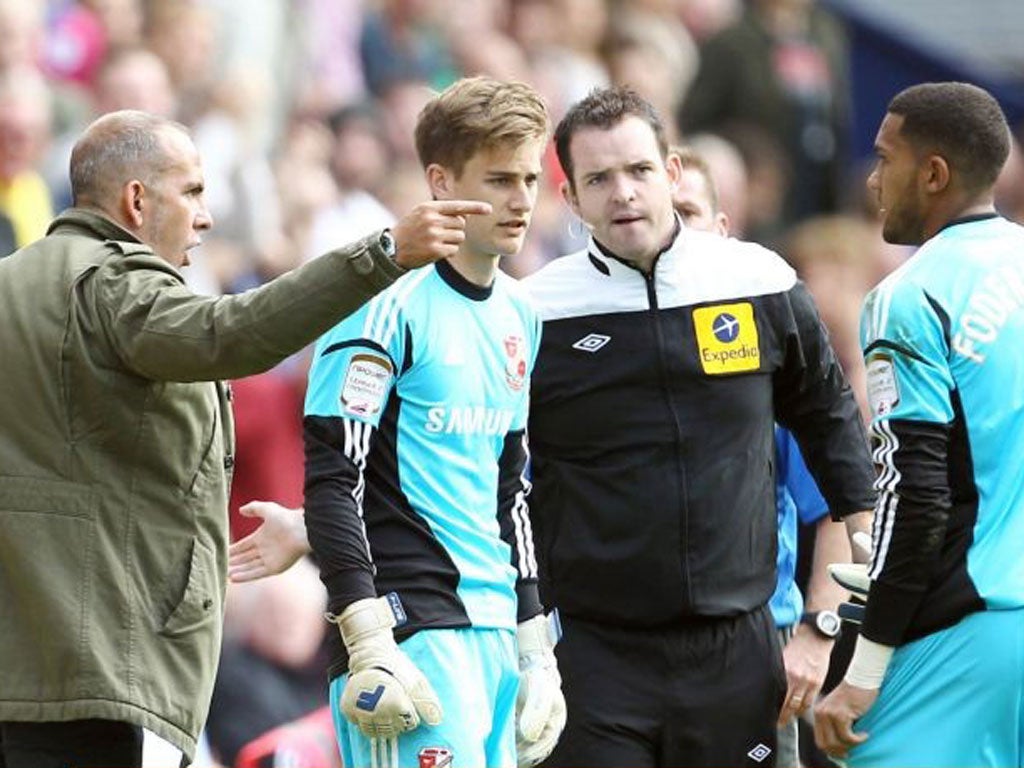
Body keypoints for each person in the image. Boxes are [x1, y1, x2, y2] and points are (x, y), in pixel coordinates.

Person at [0, 109, 490, 768]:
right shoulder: (114, 283)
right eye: (194, 191)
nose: (206, 215)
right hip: (104, 669)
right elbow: (228, 332)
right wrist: (383, 255)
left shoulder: (12, 283)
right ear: (136, 200)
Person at [521, 86, 875, 767]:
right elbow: (490, 465)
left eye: (638, 170)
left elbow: (830, 423)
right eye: (599, 178)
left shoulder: (760, 281)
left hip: (736, 649)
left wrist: (845, 587)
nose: (623, 192)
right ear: (572, 200)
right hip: (595, 652)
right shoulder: (536, 312)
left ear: (671, 172)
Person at [302, 77, 564, 768]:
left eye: (531, 178)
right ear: (441, 182)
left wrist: (536, 646)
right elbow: (333, 479)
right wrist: (366, 636)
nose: (521, 199)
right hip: (409, 634)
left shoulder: (520, 314)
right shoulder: (380, 304)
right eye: (499, 179)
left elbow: (512, 491)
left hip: (497, 637)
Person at [814, 82, 1024, 767]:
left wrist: (863, 674)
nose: (874, 179)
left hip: (974, 624)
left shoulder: (910, 297)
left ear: (932, 174)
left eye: (884, 158)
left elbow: (916, 493)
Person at [672, 145, 853, 768]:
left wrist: (816, 634)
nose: (672, 231)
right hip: (626, 654)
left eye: (687, 212)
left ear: (724, 231)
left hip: (756, 646)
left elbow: (837, 504)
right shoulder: (595, 348)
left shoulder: (766, 352)